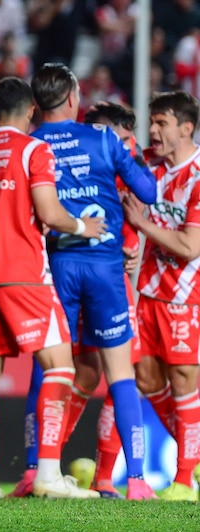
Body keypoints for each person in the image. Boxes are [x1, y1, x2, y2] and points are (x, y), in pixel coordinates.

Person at [0, 76, 104, 499]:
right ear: (33, 112)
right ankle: (49, 475)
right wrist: (83, 226)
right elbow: (50, 212)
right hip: (24, 276)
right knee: (60, 366)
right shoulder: (34, 150)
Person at [17, 63, 157, 500]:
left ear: (36, 104)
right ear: (74, 97)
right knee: (119, 373)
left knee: (49, 370)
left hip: (54, 266)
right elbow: (149, 192)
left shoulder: (29, 143)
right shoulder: (103, 139)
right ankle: (135, 481)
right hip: (105, 266)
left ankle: (33, 471)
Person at [122, 90, 200, 501]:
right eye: (151, 122)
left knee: (184, 379)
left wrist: (141, 224)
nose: (152, 130)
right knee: (147, 377)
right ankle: (196, 454)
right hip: (148, 293)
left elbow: (189, 247)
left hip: (187, 297)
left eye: (162, 123)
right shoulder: (148, 167)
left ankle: (185, 480)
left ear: (186, 128)